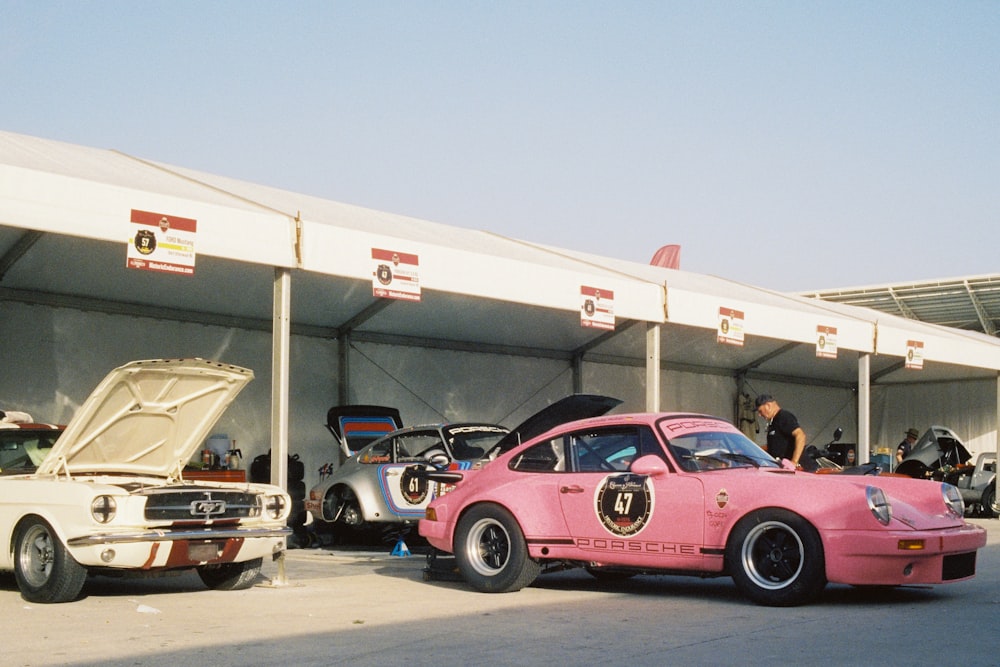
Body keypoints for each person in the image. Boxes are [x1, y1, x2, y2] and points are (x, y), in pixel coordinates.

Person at [755, 394, 807, 469]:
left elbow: (800, 435)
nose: (759, 415)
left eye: (760, 411)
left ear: (768, 406)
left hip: (797, 470)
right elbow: (775, 445)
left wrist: (794, 462)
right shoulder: (773, 422)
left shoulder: (784, 417)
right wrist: (753, 449)